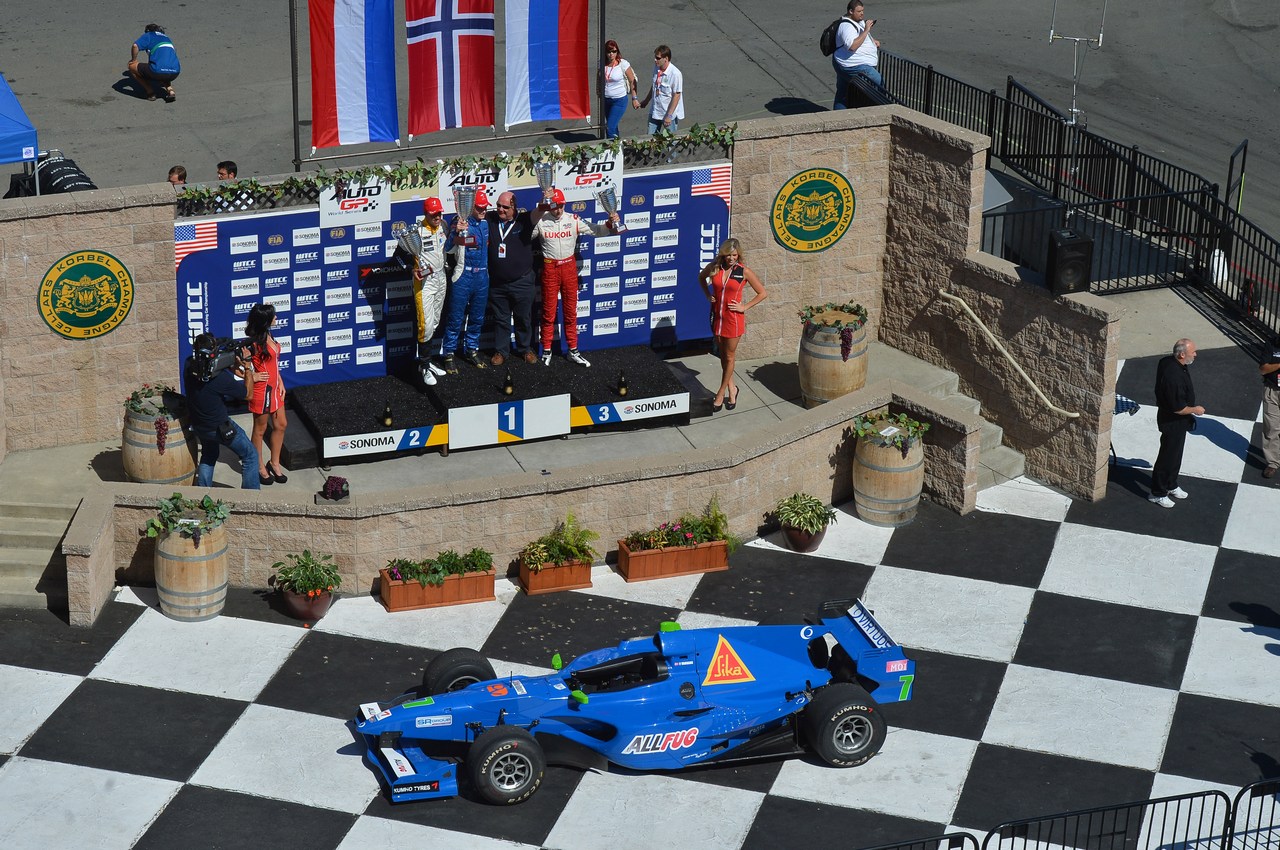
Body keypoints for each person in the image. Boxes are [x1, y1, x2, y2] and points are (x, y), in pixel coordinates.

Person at [532, 188, 620, 367]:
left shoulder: (573, 219)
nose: (557, 210)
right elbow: (525, 235)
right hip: (550, 268)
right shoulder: (541, 221)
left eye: (561, 206)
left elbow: (597, 231)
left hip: (569, 268)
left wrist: (610, 223)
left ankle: (573, 350)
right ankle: (546, 350)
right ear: (549, 205)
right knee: (549, 312)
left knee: (570, 312)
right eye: (554, 206)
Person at [697, 239, 768, 411]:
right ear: (723, 254)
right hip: (717, 317)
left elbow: (763, 293)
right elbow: (701, 277)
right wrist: (708, 295)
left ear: (739, 255)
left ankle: (721, 393)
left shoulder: (743, 271)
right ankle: (732, 388)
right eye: (728, 254)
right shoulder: (715, 267)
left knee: (729, 357)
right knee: (723, 355)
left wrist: (744, 307)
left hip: (733, 319)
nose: (731, 258)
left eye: (734, 255)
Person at [184, 334, 260, 490]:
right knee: (250, 455)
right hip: (221, 428)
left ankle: (202, 493)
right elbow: (248, 395)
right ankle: (252, 499)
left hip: (200, 426)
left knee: (209, 455)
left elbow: (213, 365)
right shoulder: (221, 380)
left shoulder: (188, 366)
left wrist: (229, 362)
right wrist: (246, 366)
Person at [485, 191, 539, 365]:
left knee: (523, 318)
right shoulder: (491, 218)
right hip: (497, 282)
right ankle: (501, 351)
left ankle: (525, 349)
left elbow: (540, 212)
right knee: (501, 319)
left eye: (505, 207)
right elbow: (473, 214)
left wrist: (548, 198)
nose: (500, 209)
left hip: (522, 281)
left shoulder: (524, 220)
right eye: (498, 205)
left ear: (514, 207)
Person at [1150, 338, 1204, 507]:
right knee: (1167, 457)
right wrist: (1196, 409)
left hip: (1178, 422)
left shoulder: (1167, 361)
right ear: (1182, 354)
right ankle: (1157, 493)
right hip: (1172, 421)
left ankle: (1171, 484)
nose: (1195, 354)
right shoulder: (1173, 377)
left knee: (1176, 455)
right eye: (1192, 352)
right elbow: (1178, 409)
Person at [441, 190, 491, 371]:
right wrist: (456, 232)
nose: (483, 211)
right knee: (455, 318)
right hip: (463, 275)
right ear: (470, 208)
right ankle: (448, 353)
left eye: (485, 207)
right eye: (480, 208)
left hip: (482, 276)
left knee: (477, 317)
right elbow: (447, 249)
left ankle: (472, 349)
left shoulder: (485, 224)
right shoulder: (460, 222)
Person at [244, 303, 289, 485]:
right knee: (260, 430)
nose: (276, 318)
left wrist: (280, 381)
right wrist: (251, 375)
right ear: (265, 321)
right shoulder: (252, 343)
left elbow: (274, 363)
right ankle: (259, 466)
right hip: (262, 391)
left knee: (281, 424)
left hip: (275, 388)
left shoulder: (269, 334)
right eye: (273, 316)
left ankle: (275, 463)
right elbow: (234, 365)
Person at [408, 197, 450, 385]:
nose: (438, 216)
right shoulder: (416, 231)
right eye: (434, 214)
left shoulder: (445, 226)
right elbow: (399, 257)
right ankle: (423, 366)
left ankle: (428, 361)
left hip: (441, 278)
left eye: (440, 213)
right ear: (426, 213)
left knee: (434, 323)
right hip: (424, 283)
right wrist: (411, 269)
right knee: (425, 326)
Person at [832, 1, 881, 109]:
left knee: (843, 93)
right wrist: (867, 29)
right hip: (851, 65)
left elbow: (862, 36)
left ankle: (839, 117)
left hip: (848, 62)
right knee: (878, 81)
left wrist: (873, 41)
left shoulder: (859, 22)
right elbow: (852, 46)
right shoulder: (846, 26)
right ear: (850, 11)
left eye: (863, 11)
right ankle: (878, 111)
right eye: (859, 11)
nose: (862, 13)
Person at [128, 24, 180, 103]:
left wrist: (133, 59)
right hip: (175, 72)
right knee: (164, 69)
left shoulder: (149, 35)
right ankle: (170, 91)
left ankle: (150, 93)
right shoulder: (166, 38)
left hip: (158, 71)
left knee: (131, 66)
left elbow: (135, 46)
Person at [599, 39, 640, 140]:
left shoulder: (623, 64)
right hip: (606, 100)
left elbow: (632, 80)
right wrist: (599, 94)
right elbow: (599, 79)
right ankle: (618, 148)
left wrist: (634, 98)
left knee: (609, 127)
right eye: (609, 52)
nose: (611, 54)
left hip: (619, 100)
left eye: (614, 51)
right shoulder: (602, 64)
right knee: (613, 125)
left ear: (617, 52)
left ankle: (611, 149)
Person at [638, 45, 683, 135]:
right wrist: (646, 101)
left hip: (667, 114)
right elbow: (655, 86)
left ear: (666, 58)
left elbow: (676, 96)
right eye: (655, 57)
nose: (655, 60)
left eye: (658, 58)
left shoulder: (675, 74)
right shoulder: (657, 68)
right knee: (650, 140)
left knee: (671, 143)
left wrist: (669, 116)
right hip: (655, 111)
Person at [1259, 336, 1280, 478]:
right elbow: (1263, 369)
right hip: (1272, 390)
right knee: (1271, 427)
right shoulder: (1271, 344)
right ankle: (1272, 463)